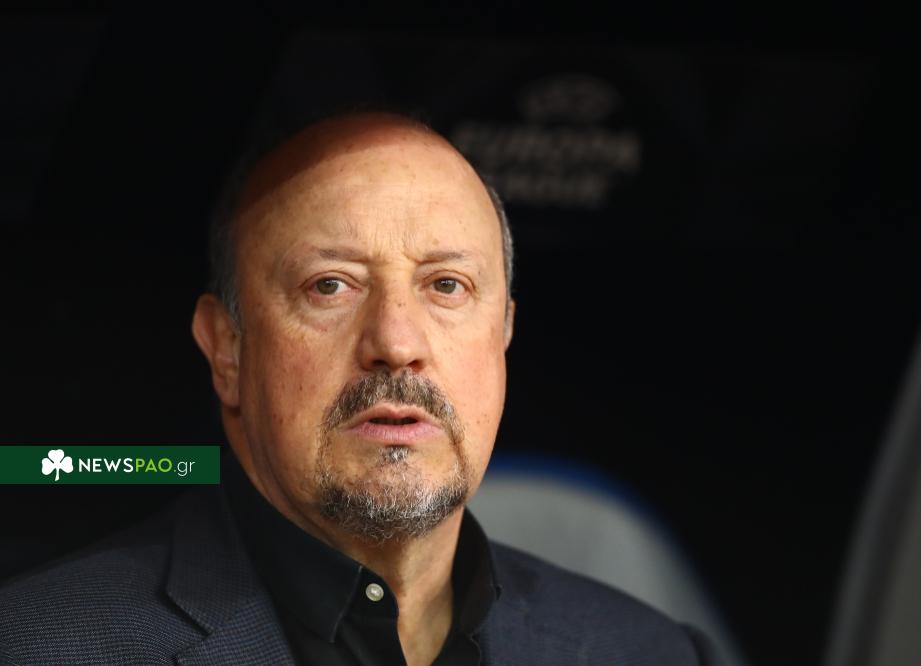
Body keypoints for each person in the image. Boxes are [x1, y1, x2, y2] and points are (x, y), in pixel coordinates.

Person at [0, 111, 721, 665]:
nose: (397, 344)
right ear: (226, 349)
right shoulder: (39, 648)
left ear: (503, 331)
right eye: (331, 285)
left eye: (446, 285)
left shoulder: (649, 653)